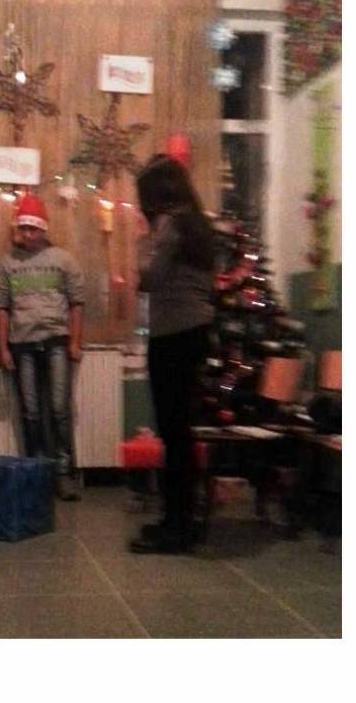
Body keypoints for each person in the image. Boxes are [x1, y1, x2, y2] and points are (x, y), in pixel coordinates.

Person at [129, 154, 215, 555]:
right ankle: (181, 520)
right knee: (181, 432)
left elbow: (150, 278)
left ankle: (176, 526)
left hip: (172, 335)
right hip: (195, 331)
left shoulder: (170, 223)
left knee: (173, 433)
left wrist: (142, 247)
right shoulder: (198, 224)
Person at [0, 193, 84, 501]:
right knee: (30, 411)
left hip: (56, 341)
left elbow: (76, 303)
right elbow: (3, 308)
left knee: (59, 409)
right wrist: (3, 348)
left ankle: (63, 472)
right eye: (24, 228)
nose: (29, 234)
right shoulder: (8, 263)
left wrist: (75, 341)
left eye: (33, 228)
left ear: (43, 229)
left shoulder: (63, 260)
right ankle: (35, 471)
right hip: (22, 344)